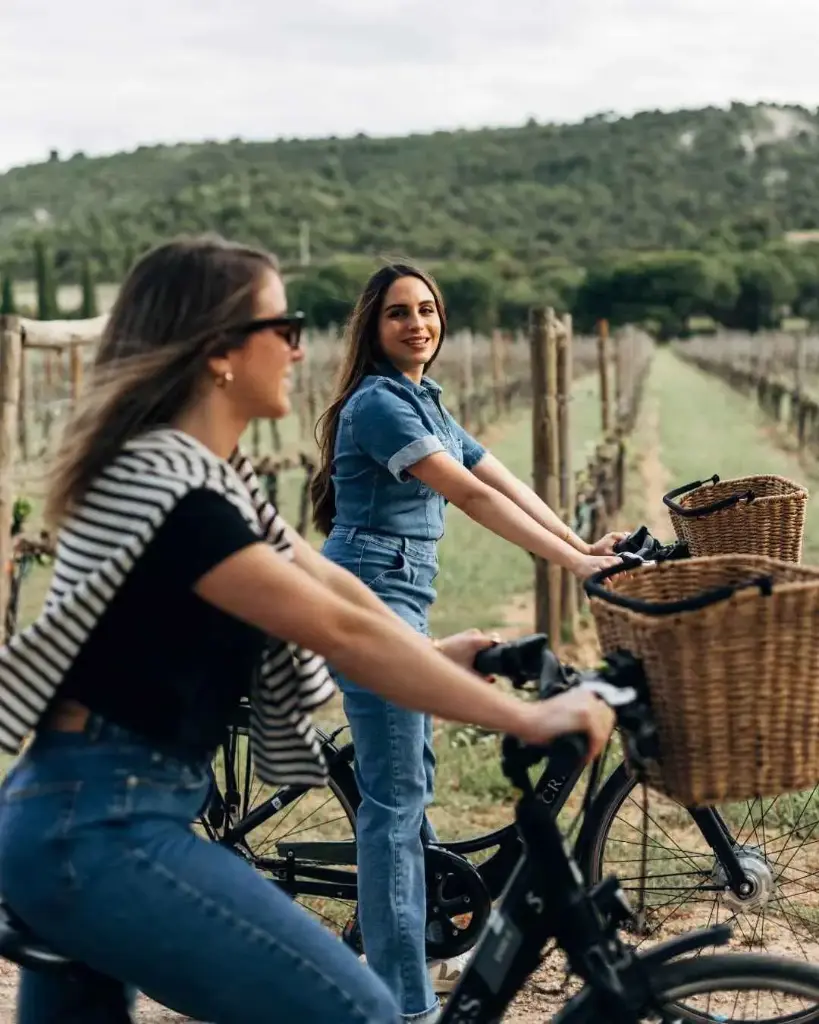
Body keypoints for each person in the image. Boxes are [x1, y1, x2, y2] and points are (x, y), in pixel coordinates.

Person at [0, 235, 615, 1024]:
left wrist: (433, 653)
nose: (298, 348)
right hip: (103, 825)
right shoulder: (171, 490)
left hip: (88, 816)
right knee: (358, 1009)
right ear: (219, 349)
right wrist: (527, 716)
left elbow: (335, 590)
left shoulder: (213, 477)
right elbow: (341, 628)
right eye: (281, 327)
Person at [311, 262, 625, 1022]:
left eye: (426, 310)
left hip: (397, 593)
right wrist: (574, 564)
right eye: (397, 314)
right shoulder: (379, 404)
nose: (417, 323)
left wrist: (582, 544)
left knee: (407, 774)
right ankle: (403, 1004)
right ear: (372, 328)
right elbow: (470, 495)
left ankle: (409, 935)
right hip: (370, 596)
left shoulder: (423, 400)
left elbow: (503, 477)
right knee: (393, 805)